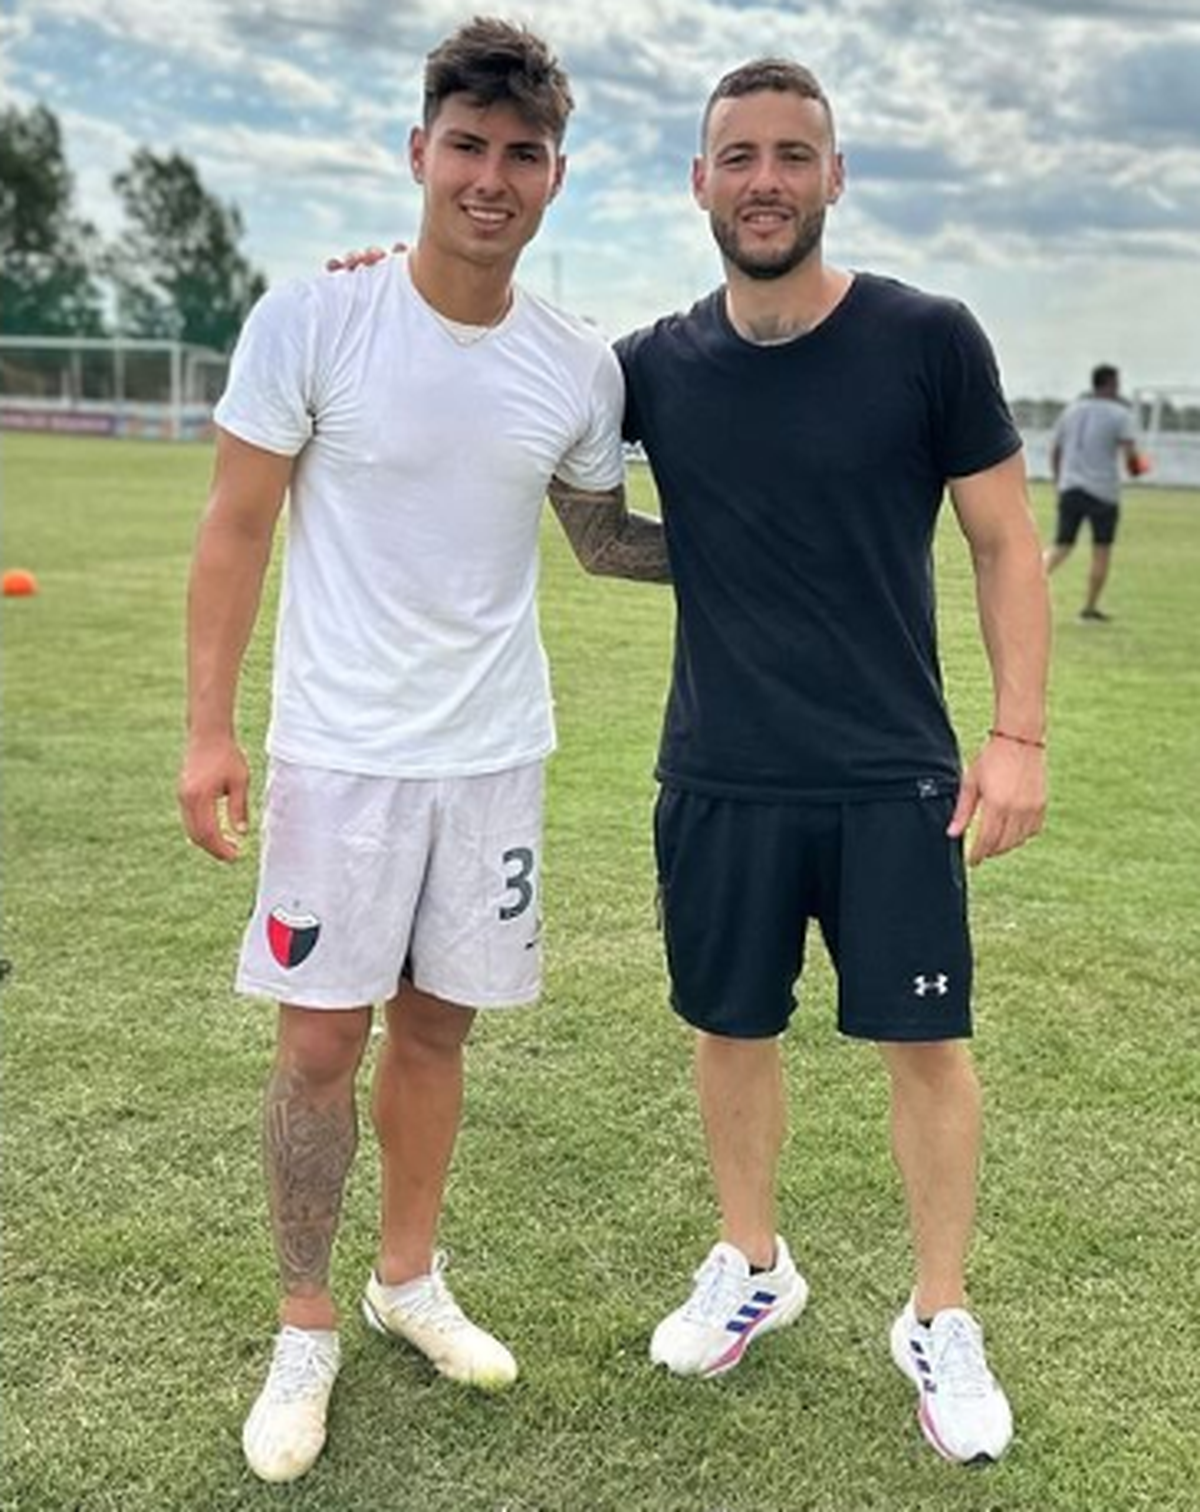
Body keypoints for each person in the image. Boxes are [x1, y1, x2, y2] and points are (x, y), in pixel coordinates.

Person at [177, 18, 666, 1486]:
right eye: (467, 147)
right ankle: (307, 1323)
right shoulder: (312, 321)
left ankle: (406, 1279)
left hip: (492, 757)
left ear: (556, 176)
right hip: (339, 758)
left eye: (522, 156)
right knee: (322, 1040)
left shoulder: (577, 367)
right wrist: (208, 727)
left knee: (441, 1028)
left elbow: (600, 542)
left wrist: (781, 540)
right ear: (419, 152)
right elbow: (236, 528)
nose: (491, 178)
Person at [615, 60, 1049, 1466]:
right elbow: (502, 387)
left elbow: (1002, 542)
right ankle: (754, 1262)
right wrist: (390, 284)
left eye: (793, 154)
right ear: (699, 182)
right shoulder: (654, 365)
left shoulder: (929, 339)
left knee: (927, 1044)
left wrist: (1018, 735)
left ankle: (939, 1314)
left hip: (891, 777)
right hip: (721, 773)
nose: (765, 180)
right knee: (729, 1029)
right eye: (737, 155)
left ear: (835, 176)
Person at [1044, 363, 1142, 621]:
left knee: (1061, 546)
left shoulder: (1072, 410)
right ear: (1110, 383)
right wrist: (1138, 467)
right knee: (1101, 550)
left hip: (1070, 487)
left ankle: (1022, 590)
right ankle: (1089, 608)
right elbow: (1131, 459)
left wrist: (1059, 481)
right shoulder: (1121, 414)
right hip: (1103, 492)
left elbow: (1055, 450)